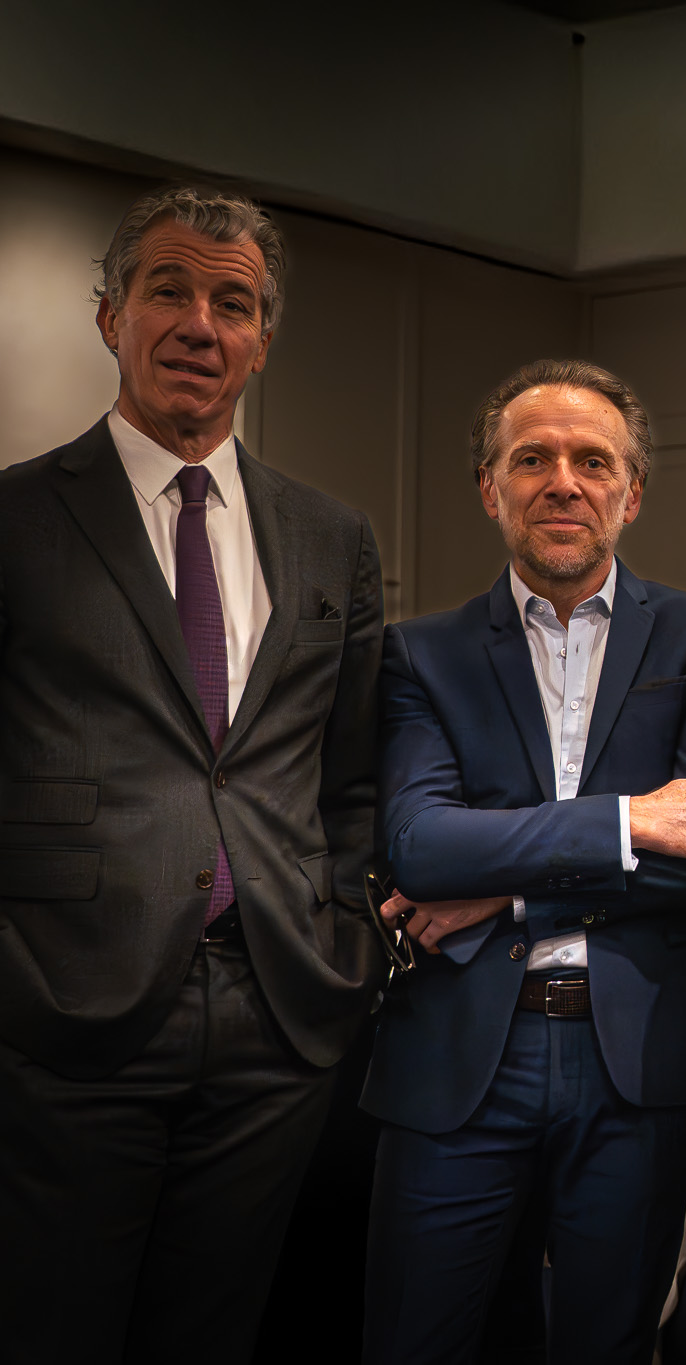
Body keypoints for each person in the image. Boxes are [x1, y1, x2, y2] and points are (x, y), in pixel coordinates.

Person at [0, 186, 385, 1362]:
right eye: (169, 290)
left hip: (276, 1020)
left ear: (262, 340)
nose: (199, 325)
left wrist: (343, 938)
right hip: (63, 1015)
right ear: (110, 314)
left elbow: (354, 775)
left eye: (233, 303)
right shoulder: (16, 520)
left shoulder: (332, 537)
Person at [360, 359, 686, 1363]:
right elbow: (418, 845)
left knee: (608, 1344)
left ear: (631, 491)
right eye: (531, 458)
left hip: (633, 1061)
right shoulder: (422, 654)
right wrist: (632, 821)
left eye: (593, 460)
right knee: (418, 1340)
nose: (562, 482)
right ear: (490, 487)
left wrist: (499, 890)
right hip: (457, 1063)